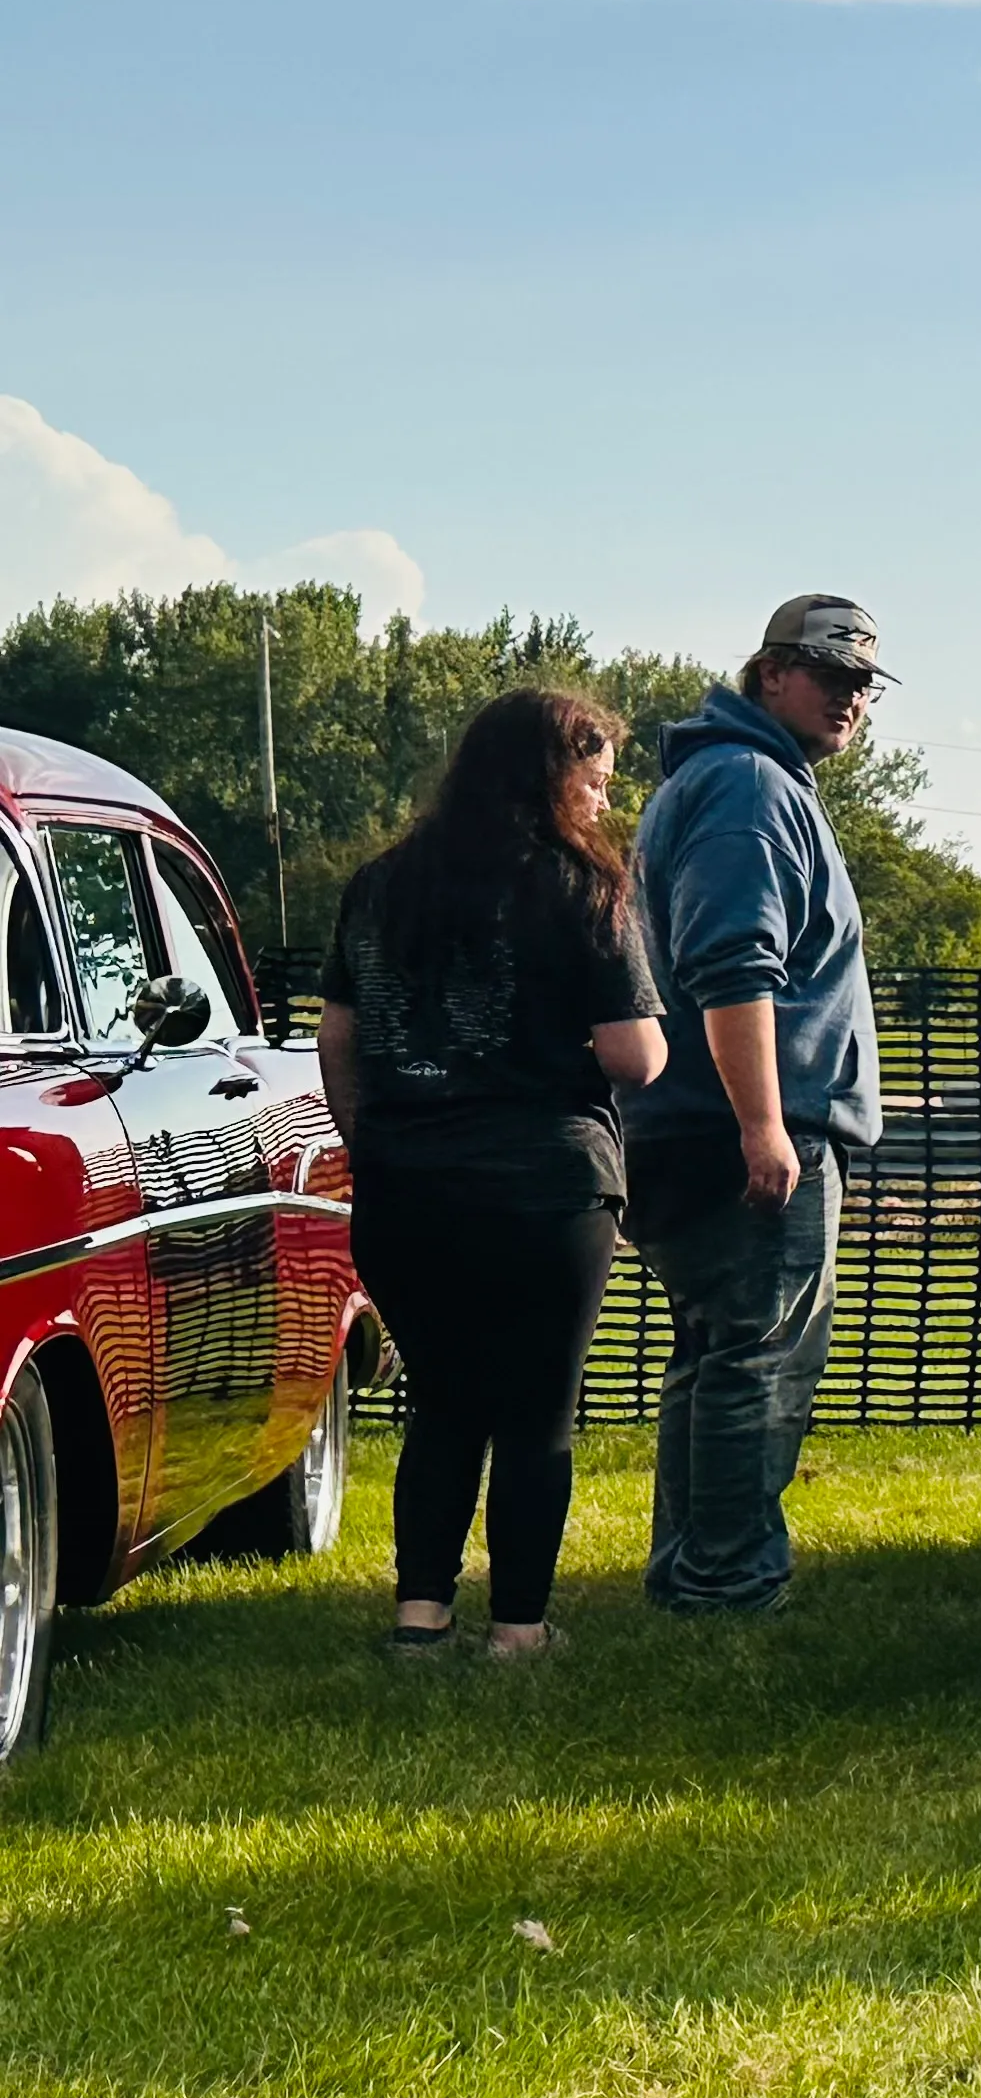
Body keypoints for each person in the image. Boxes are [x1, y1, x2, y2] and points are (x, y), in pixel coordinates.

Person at [315, 690, 668, 1657]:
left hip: (404, 1189)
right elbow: (635, 1056)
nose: (602, 802)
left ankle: (420, 1616)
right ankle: (519, 1628)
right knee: (536, 1413)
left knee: (443, 1403)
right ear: (549, 778)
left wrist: (377, 1140)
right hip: (543, 1188)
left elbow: (337, 1034)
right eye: (593, 782)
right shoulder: (582, 885)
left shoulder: (380, 883)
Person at [622, 595, 888, 1616]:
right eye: (831, 674)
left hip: (686, 1124)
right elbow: (734, 964)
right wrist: (764, 1124)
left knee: (715, 1355)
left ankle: (689, 1571)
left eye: (863, 681)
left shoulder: (725, 776)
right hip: (736, 1130)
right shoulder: (747, 786)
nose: (850, 697)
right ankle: (728, 1580)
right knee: (758, 1363)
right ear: (770, 673)